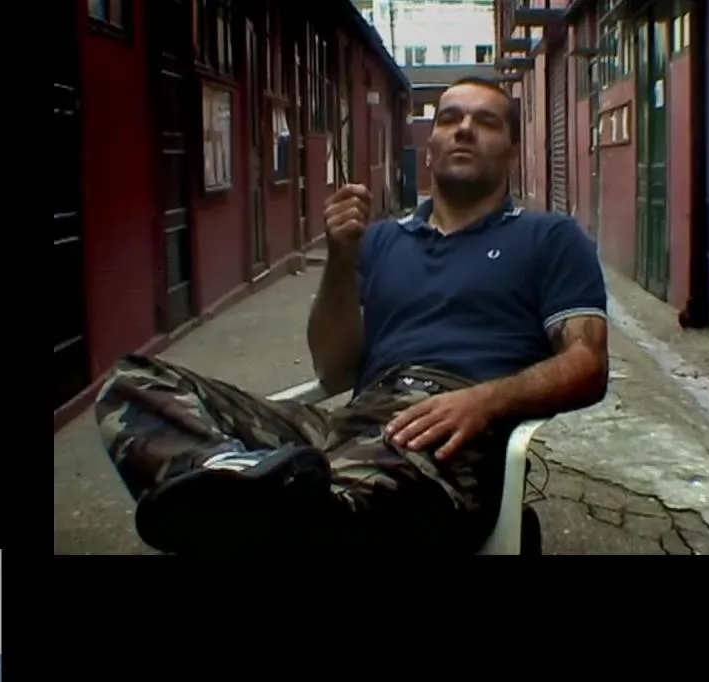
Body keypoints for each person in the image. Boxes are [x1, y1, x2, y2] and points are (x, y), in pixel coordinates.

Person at [96, 76, 610, 553]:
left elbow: (587, 364)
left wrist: (485, 401)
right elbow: (334, 369)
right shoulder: (381, 239)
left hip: (450, 442)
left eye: (486, 121)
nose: (464, 129)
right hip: (350, 419)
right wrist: (341, 260)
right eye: (449, 118)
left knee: (327, 505)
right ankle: (228, 475)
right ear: (429, 145)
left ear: (512, 151)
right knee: (131, 383)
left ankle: (247, 501)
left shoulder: (549, 238)